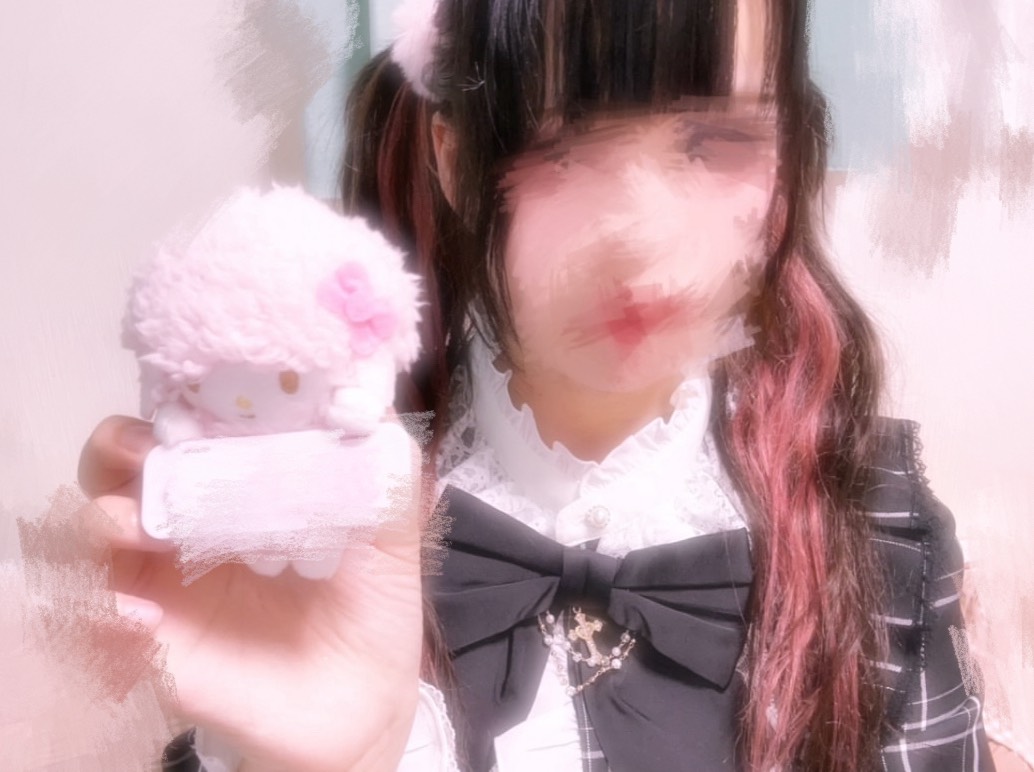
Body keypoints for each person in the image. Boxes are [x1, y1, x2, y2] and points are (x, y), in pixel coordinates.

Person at [79, 0, 992, 769]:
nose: (639, 232)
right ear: (451, 155)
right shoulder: (324, 526)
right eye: (561, 143)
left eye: (715, 143)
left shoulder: (875, 517)